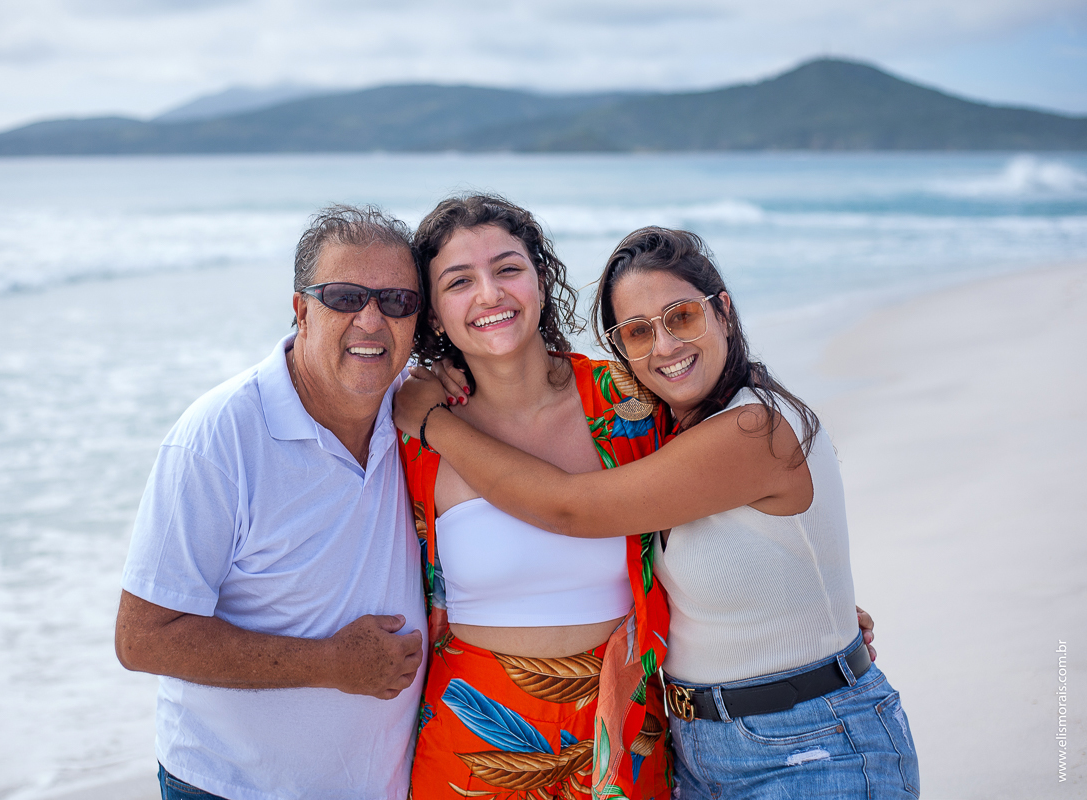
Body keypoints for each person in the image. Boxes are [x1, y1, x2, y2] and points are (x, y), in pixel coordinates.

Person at [396, 227, 917, 799]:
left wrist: (434, 423)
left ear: (723, 310)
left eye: (683, 317)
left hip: (768, 740)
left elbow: (572, 508)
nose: (664, 346)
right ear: (436, 314)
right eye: (638, 332)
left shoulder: (663, 416)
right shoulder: (407, 431)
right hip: (671, 744)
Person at [114, 205, 428, 800]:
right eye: (344, 297)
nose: (371, 320)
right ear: (301, 310)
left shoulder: (418, 410)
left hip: (381, 784)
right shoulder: (218, 436)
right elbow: (142, 638)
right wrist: (334, 663)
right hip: (232, 785)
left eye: (396, 302)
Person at [401, 195, 674, 799]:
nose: (489, 294)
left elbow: (716, 510)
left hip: (623, 721)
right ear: (435, 316)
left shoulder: (625, 401)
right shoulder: (414, 436)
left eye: (507, 269)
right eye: (459, 281)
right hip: (473, 735)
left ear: (541, 281)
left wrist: (796, 613)